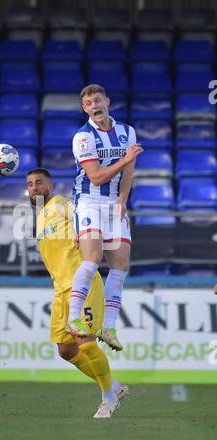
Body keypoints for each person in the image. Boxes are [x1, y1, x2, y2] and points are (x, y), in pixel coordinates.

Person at [26, 168, 129, 418]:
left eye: (40, 182)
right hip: (61, 289)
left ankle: (108, 398)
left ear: (50, 185)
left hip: (82, 285)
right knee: (66, 350)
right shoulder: (40, 217)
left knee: (86, 343)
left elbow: (83, 211)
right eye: (29, 184)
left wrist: (80, 232)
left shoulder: (63, 202)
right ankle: (114, 387)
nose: (34, 187)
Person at [67, 84, 143, 350]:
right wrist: (125, 159)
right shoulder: (83, 137)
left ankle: (108, 327)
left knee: (120, 265)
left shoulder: (126, 132)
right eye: (88, 103)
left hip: (114, 202)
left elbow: (128, 172)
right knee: (93, 258)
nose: (94, 106)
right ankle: (73, 317)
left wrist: (123, 201)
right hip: (89, 201)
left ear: (107, 101)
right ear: (84, 109)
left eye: (97, 100)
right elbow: (96, 176)